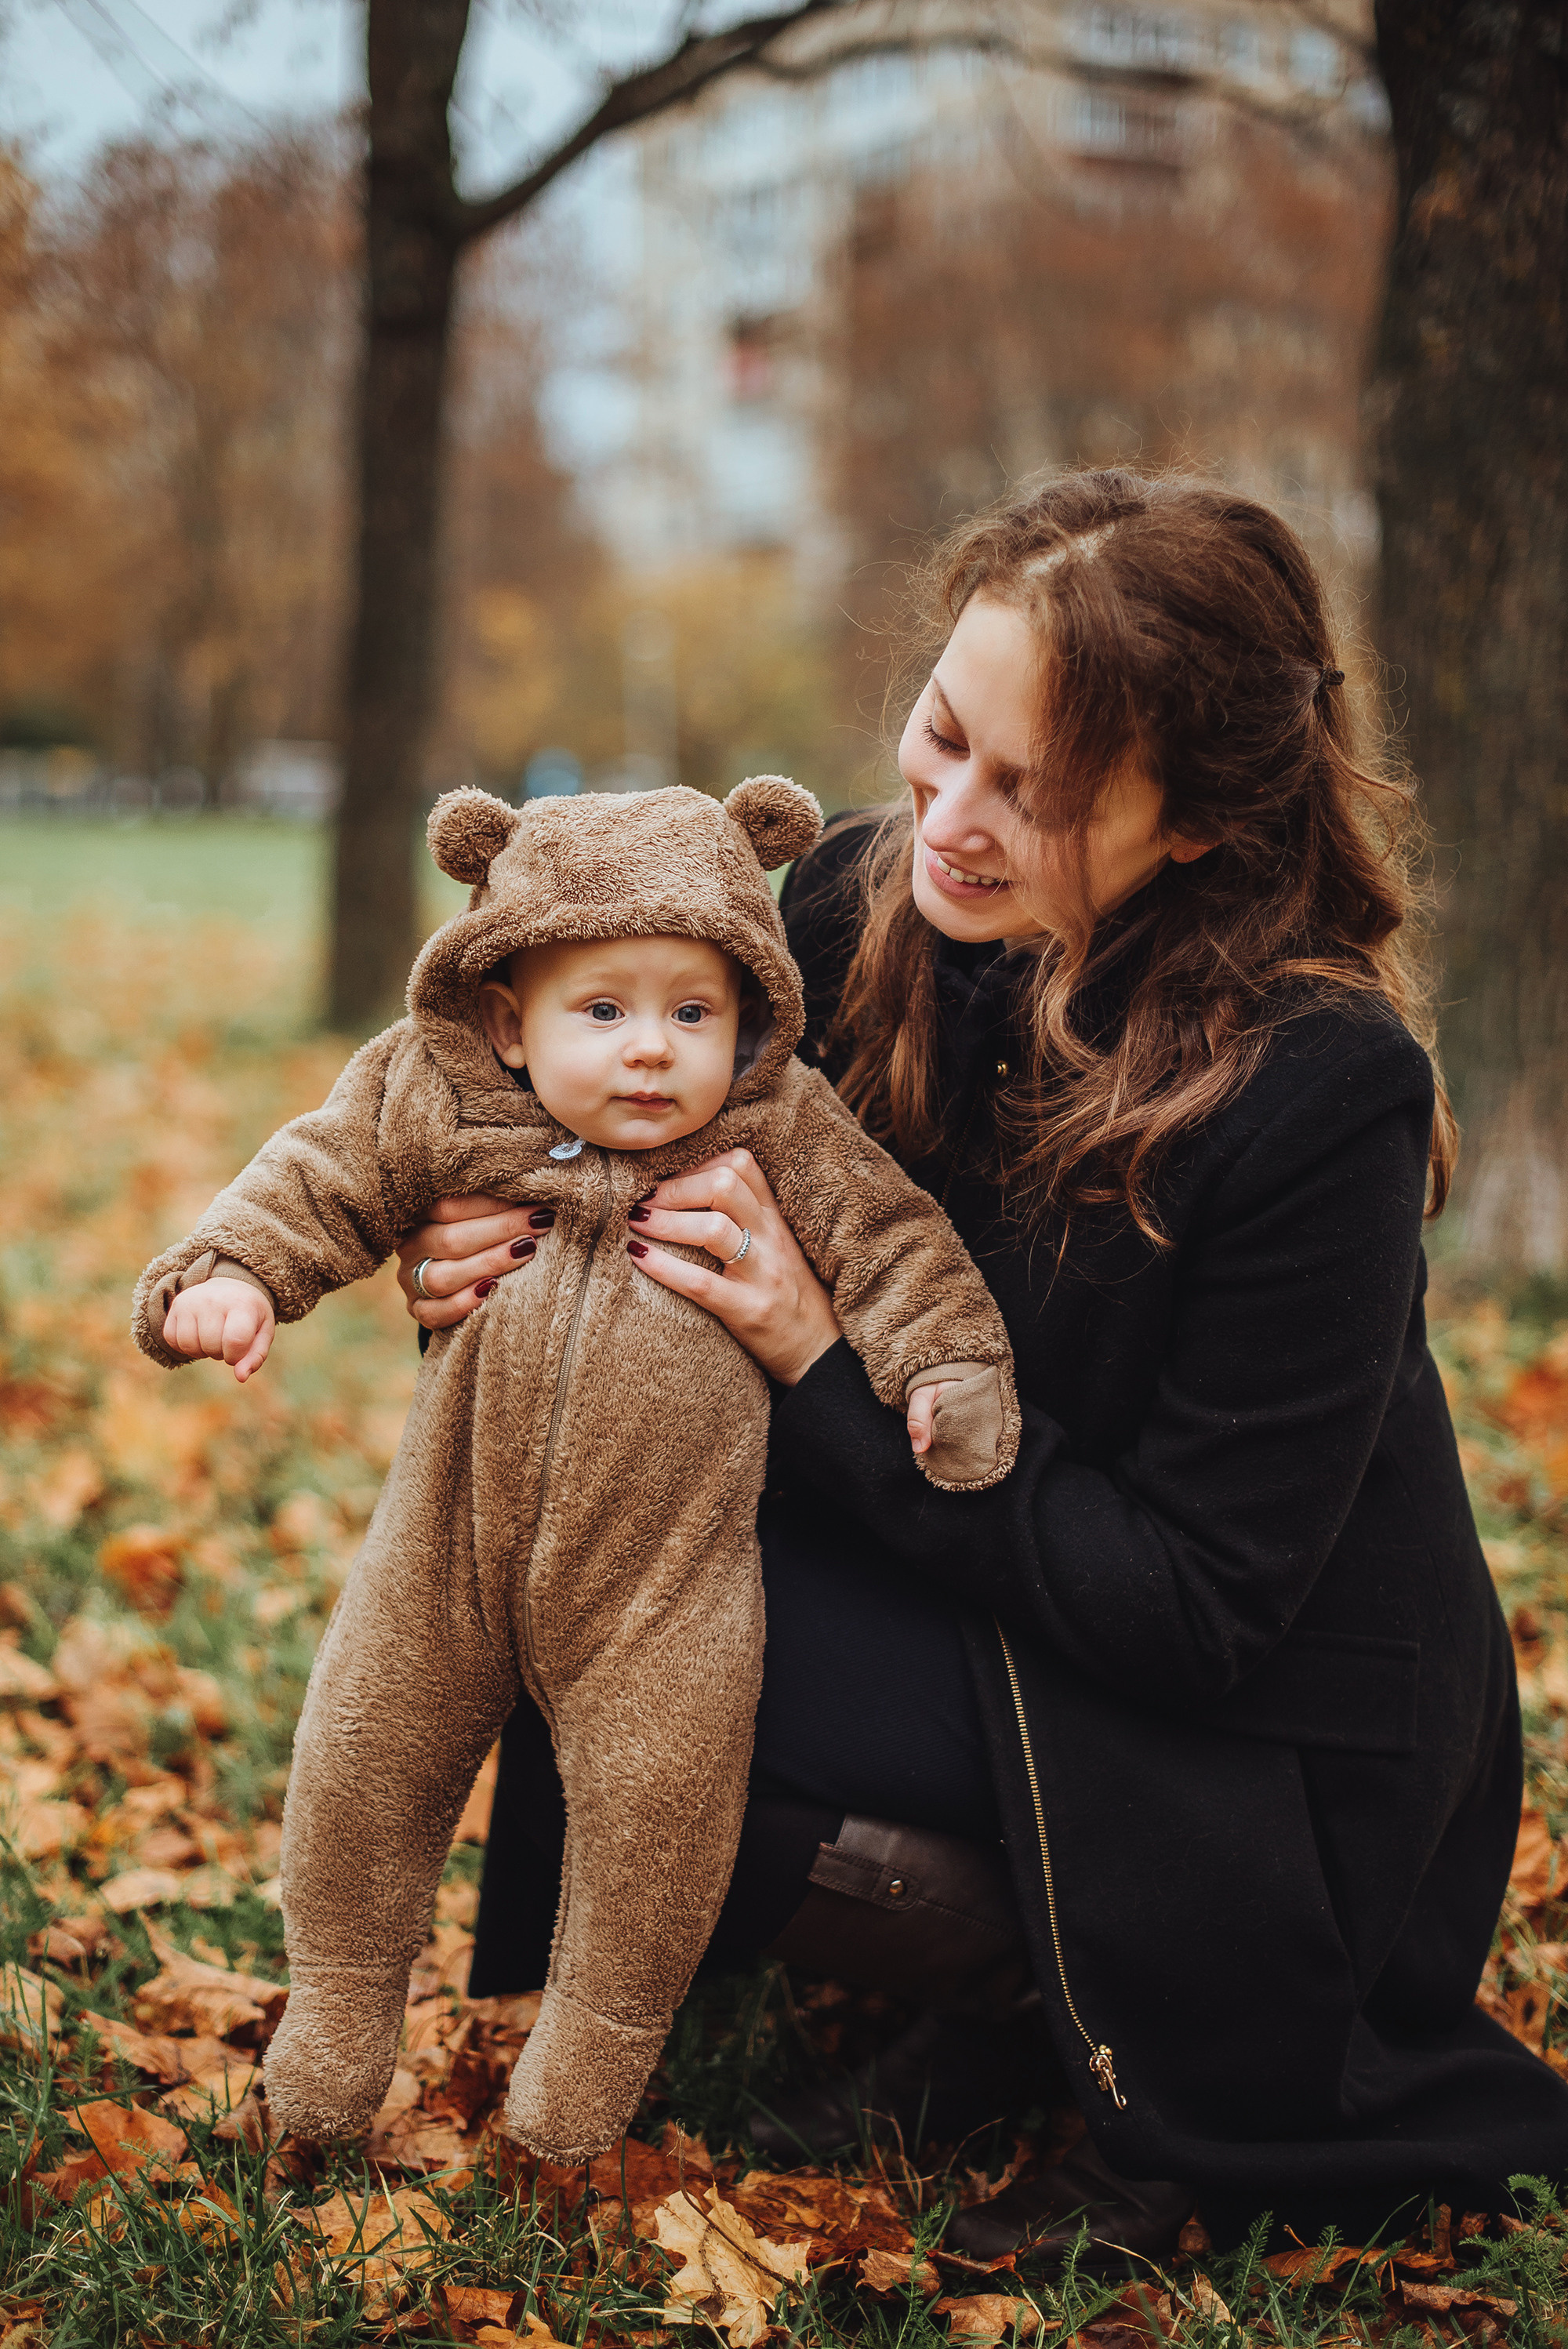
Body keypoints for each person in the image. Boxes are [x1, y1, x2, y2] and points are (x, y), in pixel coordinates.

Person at [406, 470, 1568, 2252]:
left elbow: (1193, 1605)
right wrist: (491, 1265)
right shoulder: (848, 910)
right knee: (554, 1542)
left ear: (1192, 823)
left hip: (1249, 1747)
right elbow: (588, 1157)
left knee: (653, 1642)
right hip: (985, 1592)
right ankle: (985, 1982)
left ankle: (1057, 2002)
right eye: (942, 734)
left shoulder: (1316, 1086)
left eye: (1034, 795)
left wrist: (812, 1353)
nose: (946, 815)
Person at [132, 773, 1020, 2165]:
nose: (652, 1052)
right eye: (602, 1012)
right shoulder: (438, 1098)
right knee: (356, 1782)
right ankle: (321, 2064)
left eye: (692, 1012)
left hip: (663, 1589)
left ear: (750, 1017)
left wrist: (947, 1370)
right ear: (508, 1014)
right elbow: (316, 1175)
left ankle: (565, 2119)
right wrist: (231, 1273)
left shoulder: (775, 1127)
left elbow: (895, 1241)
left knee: (657, 1840)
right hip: (443, 1554)